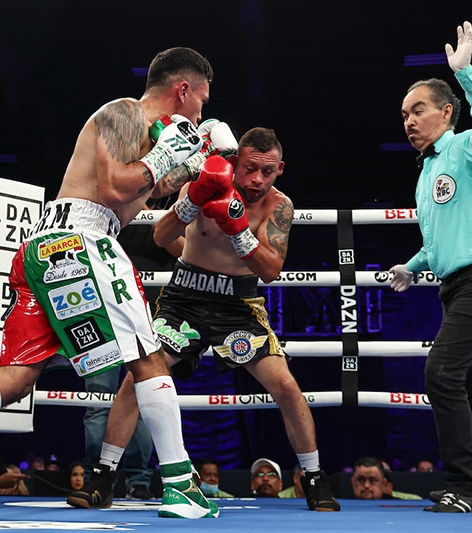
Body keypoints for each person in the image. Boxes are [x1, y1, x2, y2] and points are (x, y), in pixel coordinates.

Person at [0, 46, 221, 520]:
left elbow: (147, 185)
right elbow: (116, 188)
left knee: (18, 374)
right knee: (148, 357)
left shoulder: (147, 133)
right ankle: (181, 486)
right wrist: (170, 156)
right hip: (83, 241)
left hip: (50, 250)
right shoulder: (125, 113)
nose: (202, 111)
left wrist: (195, 163)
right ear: (184, 89)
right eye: (203, 100)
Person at [88, 127, 340, 513]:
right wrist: (191, 205)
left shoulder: (279, 206)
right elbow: (159, 235)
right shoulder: (204, 177)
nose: (257, 180)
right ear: (236, 162)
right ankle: (103, 476)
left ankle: (314, 476)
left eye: (267, 172)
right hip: (184, 300)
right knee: (135, 380)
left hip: (238, 305)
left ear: (280, 170)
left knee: (287, 387)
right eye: (250, 169)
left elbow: (271, 270)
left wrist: (238, 230)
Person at [388, 21, 472, 514]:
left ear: (446, 112)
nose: (408, 120)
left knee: (441, 371)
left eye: (418, 110)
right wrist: (413, 264)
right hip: (460, 284)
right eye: (403, 114)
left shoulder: (466, 148)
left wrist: (466, 75)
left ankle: (462, 485)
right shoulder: (426, 175)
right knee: (466, 382)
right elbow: (440, 242)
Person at [81, 195, 182, 501]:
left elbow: (176, 255)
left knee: (144, 398)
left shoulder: (168, 217)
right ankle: (95, 477)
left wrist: (151, 215)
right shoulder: (107, 208)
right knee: (98, 399)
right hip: (101, 307)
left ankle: (138, 480)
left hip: (146, 313)